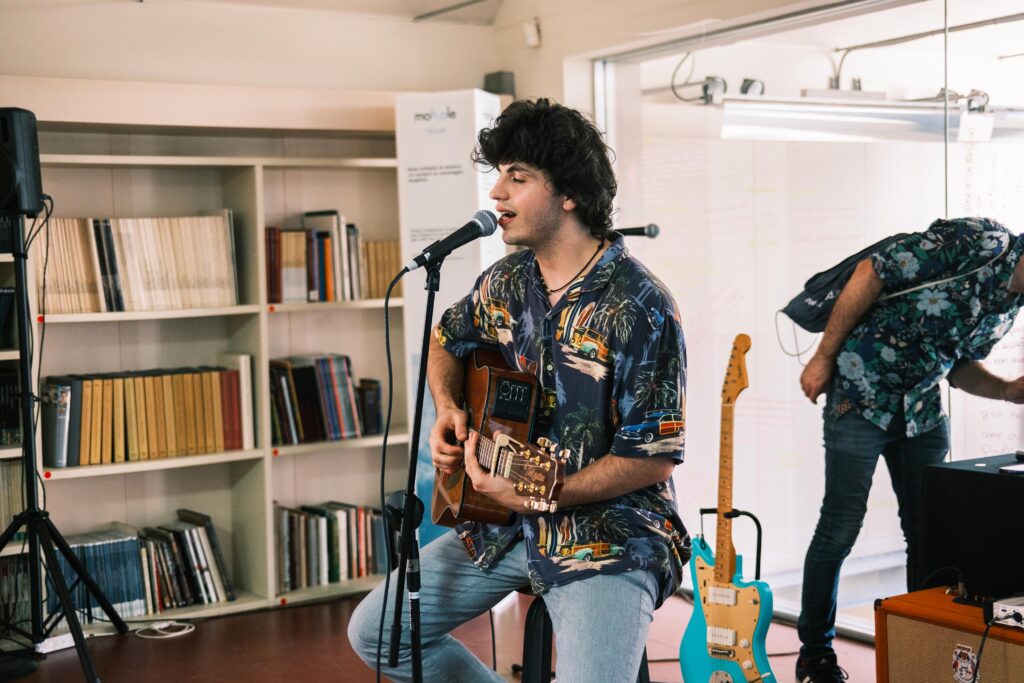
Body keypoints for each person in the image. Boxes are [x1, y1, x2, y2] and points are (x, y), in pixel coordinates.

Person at [347, 98, 690, 682]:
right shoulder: (506, 280)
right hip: (506, 529)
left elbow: (651, 459)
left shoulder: (640, 305)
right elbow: (445, 339)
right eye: (499, 174)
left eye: (518, 177)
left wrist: (541, 492)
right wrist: (447, 408)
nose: (496, 193)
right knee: (378, 634)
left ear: (569, 194)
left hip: (607, 537)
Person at [795, 217, 1024, 682]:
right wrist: (822, 357)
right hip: (859, 398)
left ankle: (919, 649)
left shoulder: (1010, 306)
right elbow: (872, 272)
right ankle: (815, 655)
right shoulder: (982, 241)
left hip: (922, 412)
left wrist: (1006, 391)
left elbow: (958, 367)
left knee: (928, 534)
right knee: (839, 529)